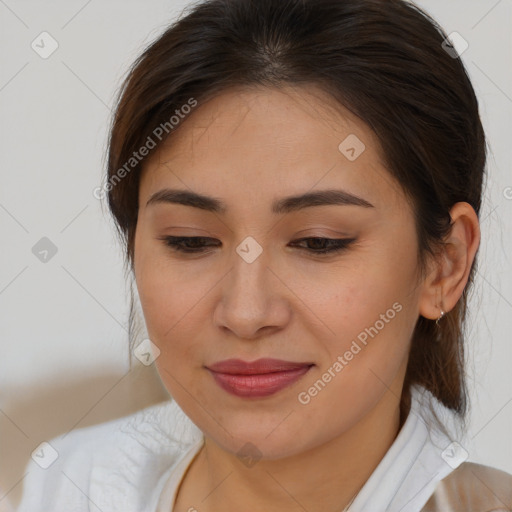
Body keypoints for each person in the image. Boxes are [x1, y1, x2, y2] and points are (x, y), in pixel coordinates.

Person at [16, 0, 512, 511]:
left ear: (444, 264)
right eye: (190, 241)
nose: (246, 313)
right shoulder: (74, 485)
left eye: (319, 242)